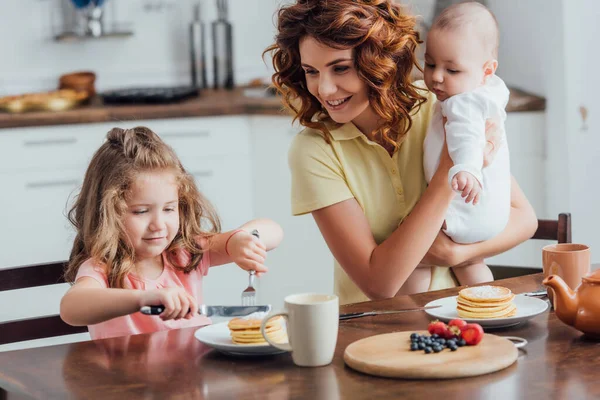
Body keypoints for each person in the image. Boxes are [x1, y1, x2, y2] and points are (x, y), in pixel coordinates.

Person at [264, 0, 537, 305]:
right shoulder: (314, 151)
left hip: (462, 320)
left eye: (340, 68)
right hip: (374, 331)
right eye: (311, 71)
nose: (325, 89)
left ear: (378, 61)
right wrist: (450, 165)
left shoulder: (439, 105)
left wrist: (457, 253)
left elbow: (524, 218)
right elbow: (379, 285)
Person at [60, 127, 283, 339]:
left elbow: (273, 231)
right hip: (127, 378)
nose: (158, 224)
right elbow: (72, 308)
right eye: (141, 211)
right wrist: (143, 299)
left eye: (169, 209)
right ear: (107, 213)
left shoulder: (185, 252)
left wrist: (241, 239)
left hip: (191, 374)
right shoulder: (103, 267)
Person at [421, 2, 510, 288]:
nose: (436, 76)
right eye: (430, 64)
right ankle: (487, 302)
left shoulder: (464, 102)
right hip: (491, 215)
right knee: (471, 264)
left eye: (453, 70)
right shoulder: (489, 91)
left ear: (486, 70)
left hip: (463, 211)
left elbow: (467, 134)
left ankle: (410, 308)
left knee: (412, 246)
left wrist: (467, 168)